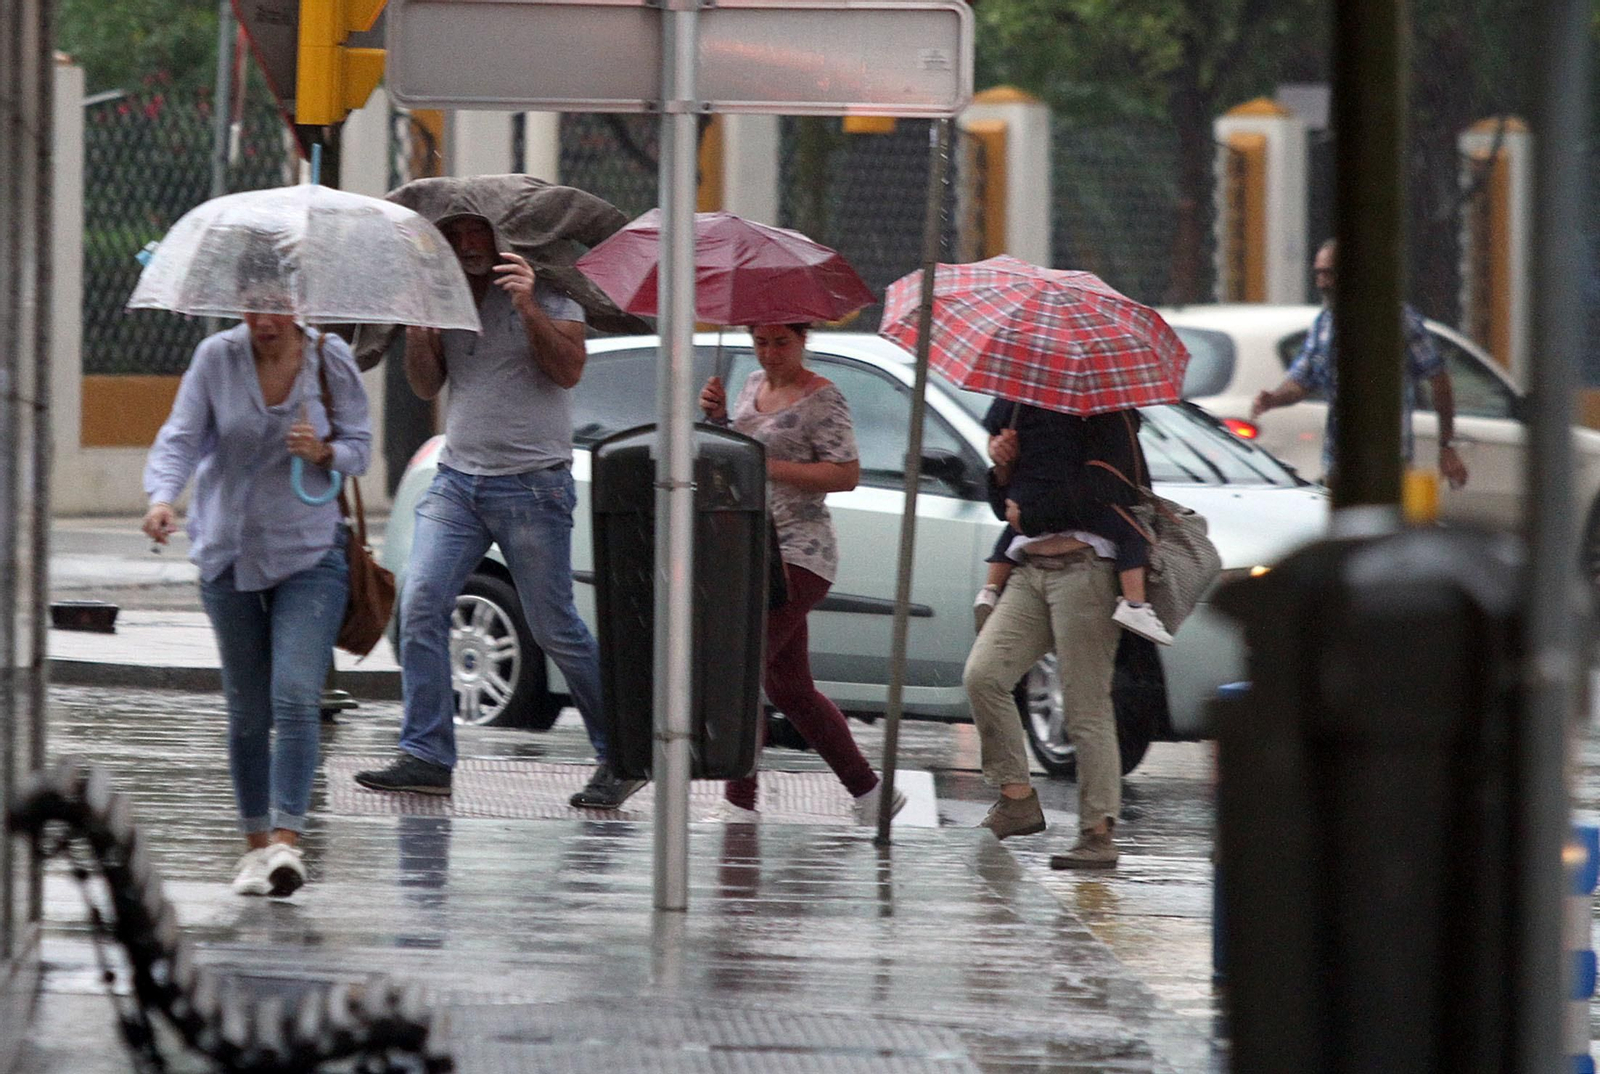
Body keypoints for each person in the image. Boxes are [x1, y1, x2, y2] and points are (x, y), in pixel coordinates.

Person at [353, 213, 640, 809]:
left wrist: (529, 305)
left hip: (533, 486)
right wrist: (423, 334)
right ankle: (427, 755)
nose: (467, 248)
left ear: (499, 239)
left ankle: (622, 754)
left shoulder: (550, 287)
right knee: (420, 601)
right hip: (459, 481)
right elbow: (427, 385)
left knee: (554, 627)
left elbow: (568, 369)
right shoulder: (444, 295)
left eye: (475, 236)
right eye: (454, 239)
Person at [142, 249, 372, 897]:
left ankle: (284, 844)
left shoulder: (331, 360)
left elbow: (362, 449)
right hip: (229, 553)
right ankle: (251, 846)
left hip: (310, 553)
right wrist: (162, 497)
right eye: (252, 306)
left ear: (299, 302)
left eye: (276, 305)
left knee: (296, 695)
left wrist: (323, 449)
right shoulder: (218, 358)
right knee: (246, 713)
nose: (263, 320)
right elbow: (182, 436)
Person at [698, 323, 906, 825]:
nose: (770, 354)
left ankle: (739, 802)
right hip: (755, 546)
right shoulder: (751, 384)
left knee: (740, 672)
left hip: (801, 551)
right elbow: (737, 457)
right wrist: (720, 420)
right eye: (761, 342)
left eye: (781, 343)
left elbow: (846, 473)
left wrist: (766, 464)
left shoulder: (823, 398)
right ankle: (871, 794)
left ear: (803, 340)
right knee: (788, 687)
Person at [962, 403, 1147, 869]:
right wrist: (1002, 465)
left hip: (1086, 570)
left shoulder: (1106, 409)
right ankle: (1017, 799)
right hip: (1029, 570)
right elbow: (1007, 507)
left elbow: (1115, 487)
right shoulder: (1020, 401)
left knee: (1086, 707)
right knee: (984, 675)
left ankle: (1097, 833)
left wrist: (1036, 514)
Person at [1249, 238, 1470, 491]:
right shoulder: (1325, 324)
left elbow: (1439, 380)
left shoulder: (1396, 319)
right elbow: (1301, 381)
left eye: (1329, 274)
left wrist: (1447, 445)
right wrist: (1274, 399)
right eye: (1318, 274)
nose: (1322, 282)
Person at [972, 405, 1170, 646]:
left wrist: (1027, 517)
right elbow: (1094, 489)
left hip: (1074, 561)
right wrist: (1001, 464)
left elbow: (1014, 515)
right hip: (1041, 564)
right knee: (1132, 533)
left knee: (1008, 537)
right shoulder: (1027, 400)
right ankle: (1135, 604)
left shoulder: (1023, 396)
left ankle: (990, 589)